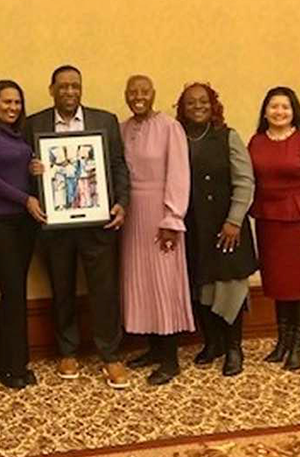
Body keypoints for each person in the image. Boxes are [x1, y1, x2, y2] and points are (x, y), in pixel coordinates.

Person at [23, 65, 131, 389]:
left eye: (75, 86)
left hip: (98, 223)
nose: (70, 92)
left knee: (104, 290)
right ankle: (67, 350)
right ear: (51, 89)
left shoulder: (105, 120)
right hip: (56, 227)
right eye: (64, 87)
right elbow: (19, 170)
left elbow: (117, 166)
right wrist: (31, 170)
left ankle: (110, 355)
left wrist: (122, 203)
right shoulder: (34, 124)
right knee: (62, 288)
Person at [175, 82, 259, 377]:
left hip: (226, 226)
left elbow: (245, 181)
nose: (197, 107)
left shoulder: (228, 136)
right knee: (201, 286)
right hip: (193, 226)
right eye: (190, 103)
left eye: (203, 101)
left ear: (213, 105)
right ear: (181, 109)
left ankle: (234, 348)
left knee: (229, 286)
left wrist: (235, 220)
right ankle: (212, 343)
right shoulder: (176, 138)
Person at [0, 80, 46, 390]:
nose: (12, 108)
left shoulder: (19, 135)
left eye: (17, 102)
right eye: (7, 102)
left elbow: (15, 171)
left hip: (21, 224)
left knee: (15, 294)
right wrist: (25, 199)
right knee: (13, 291)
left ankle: (12, 362)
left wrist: (34, 170)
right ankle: (10, 367)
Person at [120, 75, 194, 386]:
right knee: (141, 283)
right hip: (132, 215)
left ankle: (170, 359)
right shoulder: (123, 128)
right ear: (126, 96)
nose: (138, 97)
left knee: (164, 283)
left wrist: (172, 218)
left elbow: (179, 174)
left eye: (144, 91)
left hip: (160, 215)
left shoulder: (169, 128)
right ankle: (152, 348)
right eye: (132, 92)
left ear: (154, 94)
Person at [247, 86, 300, 371]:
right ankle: (282, 341)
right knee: (278, 283)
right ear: (265, 111)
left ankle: (298, 343)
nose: (279, 112)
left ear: (294, 111)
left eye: (285, 107)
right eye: (273, 106)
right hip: (269, 223)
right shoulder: (256, 142)